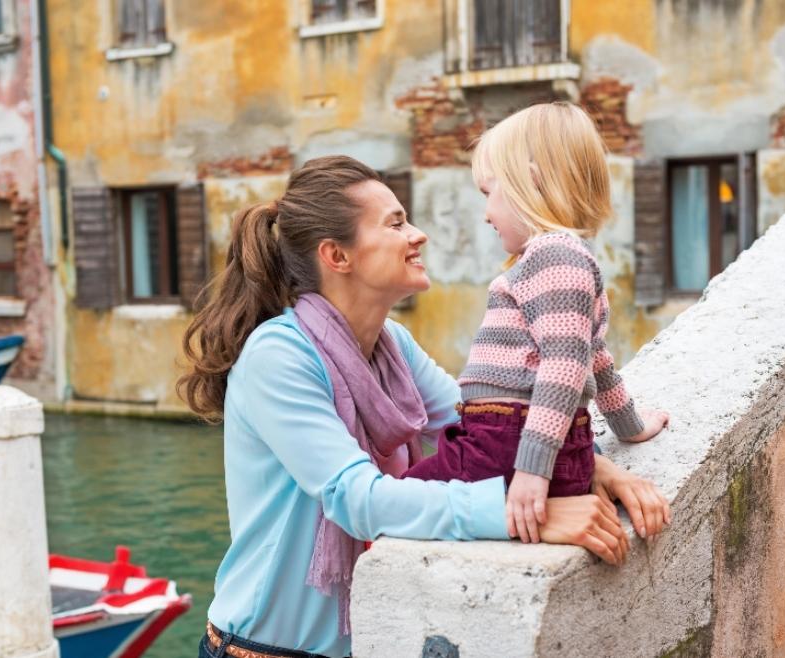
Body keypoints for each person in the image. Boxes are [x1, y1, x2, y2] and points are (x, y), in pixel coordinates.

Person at [177, 155, 670, 658]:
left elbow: (484, 423)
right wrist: (526, 517)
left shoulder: (394, 343)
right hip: (258, 652)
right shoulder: (277, 357)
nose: (418, 235)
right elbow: (359, 501)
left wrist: (591, 465)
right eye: (395, 224)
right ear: (337, 256)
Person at [402, 103, 670, 545]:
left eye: (489, 193)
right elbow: (595, 359)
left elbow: (565, 367)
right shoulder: (563, 261)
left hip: (505, 446)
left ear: (532, 181)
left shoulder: (554, 256)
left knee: (399, 505)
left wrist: (531, 469)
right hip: (518, 444)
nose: (486, 214)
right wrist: (630, 427)